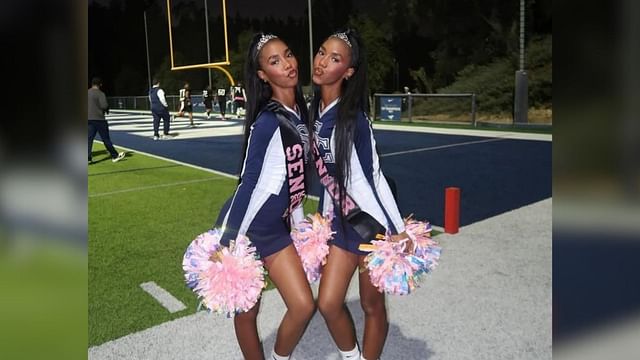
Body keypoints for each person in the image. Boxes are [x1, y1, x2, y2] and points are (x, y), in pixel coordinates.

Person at [213, 32, 313, 360]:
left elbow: (296, 181)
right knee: (247, 313)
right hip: (248, 230)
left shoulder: (302, 113)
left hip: (277, 230)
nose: (287, 64)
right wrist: (229, 239)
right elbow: (249, 184)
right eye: (274, 61)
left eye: (288, 54)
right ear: (262, 75)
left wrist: (298, 227)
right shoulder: (268, 121)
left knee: (302, 306)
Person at [309, 29, 408, 360]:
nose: (322, 61)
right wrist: (323, 220)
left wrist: (396, 230)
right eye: (322, 52)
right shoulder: (315, 116)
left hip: (370, 227)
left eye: (334, 58)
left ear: (348, 71)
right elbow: (328, 178)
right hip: (340, 224)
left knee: (371, 304)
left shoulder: (353, 119)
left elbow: (373, 178)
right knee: (328, 303)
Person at [88, 77, 125, 163]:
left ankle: (88, 158)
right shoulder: (100, 94)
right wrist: (106, 109)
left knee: (89, 139)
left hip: (88, 119)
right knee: (106, 139)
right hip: (99, 119)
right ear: (100, 84)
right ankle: (114, 155)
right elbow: (104, 106)